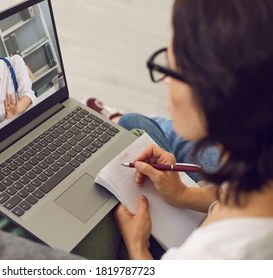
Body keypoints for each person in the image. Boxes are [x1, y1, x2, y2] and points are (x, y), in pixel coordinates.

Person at [87, 0, 273, 259]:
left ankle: (117, 118)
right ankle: (118, 117)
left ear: (215, 94)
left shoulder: (209, 257)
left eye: (171, 69)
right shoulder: (255, 157)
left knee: (136, 127)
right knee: (133, 124)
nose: (164, 80)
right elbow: (226, 190)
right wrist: (182, 193)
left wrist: (136, 246)